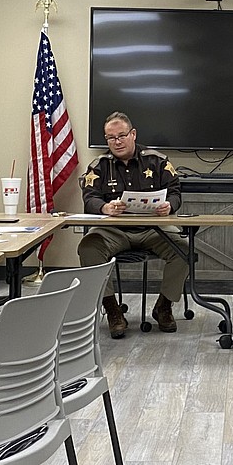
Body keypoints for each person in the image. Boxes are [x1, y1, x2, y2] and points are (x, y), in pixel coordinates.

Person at [78, 111, 187, 339]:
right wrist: (104, 208)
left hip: (154, 230)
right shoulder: (99, 166)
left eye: (121, 135)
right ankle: (113, 310)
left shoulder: (157, 161)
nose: (116, 142)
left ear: (133, 134)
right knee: (88, 247)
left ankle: (164, 307)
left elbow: (176, 192)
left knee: (184, 249)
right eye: (110, 138)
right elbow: (89, 198)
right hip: (114, 231)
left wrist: (170, 205)